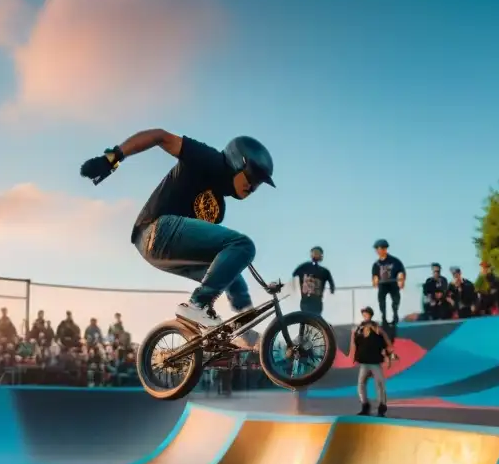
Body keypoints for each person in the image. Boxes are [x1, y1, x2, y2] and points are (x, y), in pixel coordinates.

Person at [79, 130, 274, 347]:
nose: (252, 187)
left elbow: (208, 251)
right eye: (251, 178)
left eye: (258, 185)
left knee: (231, 272)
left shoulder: (218, 208)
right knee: (243, 245)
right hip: (155, 229)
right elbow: (159, 137)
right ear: (238, 162)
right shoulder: (209, 159)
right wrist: (114, 157)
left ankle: (245, 332)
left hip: (165, 251)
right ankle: (197, 305)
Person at [349, 306, 394, 417]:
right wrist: (353, 355)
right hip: (364, 361)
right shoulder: (359, 328)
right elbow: (354, 342)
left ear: (370, 315)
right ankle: (365, 405)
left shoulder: (376, 327)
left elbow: (385, 341)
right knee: (361, 384)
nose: (365, 316)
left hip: (374, 361)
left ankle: (382, 406)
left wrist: (388, 355)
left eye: (367, 314)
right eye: (364, 314)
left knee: (379, 384)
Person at [371, 240, 406, 326]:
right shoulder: (376, 264)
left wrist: (401, 279)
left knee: (395, 300)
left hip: (393, 283)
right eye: (377, 249)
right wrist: (375, 280)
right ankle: (384, 318)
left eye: (380, 249)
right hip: (383, 284)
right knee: (381, 300)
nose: (379, 251)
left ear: (385, 249)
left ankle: (395, 316)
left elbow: (401, 271)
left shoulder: (394, 261)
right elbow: (375, 275)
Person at [292, 246, 335, 315]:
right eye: (315, 252)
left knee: (316, 319)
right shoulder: (304, 267)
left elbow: (331, 284)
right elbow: (294, 275)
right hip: (306, 301)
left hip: (317, 302)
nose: (316, 255)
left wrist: (332, 290)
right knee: (305, 318)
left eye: (318, 253)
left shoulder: (324, 271)